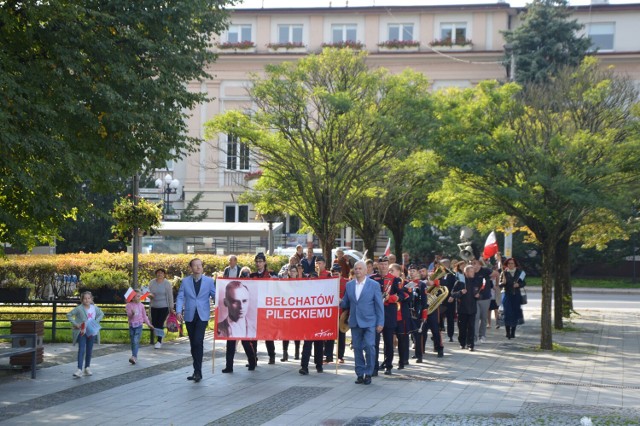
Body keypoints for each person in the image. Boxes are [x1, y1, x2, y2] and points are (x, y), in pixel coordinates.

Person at [340, 260, 384, 385]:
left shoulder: (374, 285)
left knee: (370, 346)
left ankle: (369, 373)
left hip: (370, 321)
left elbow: (379, 305)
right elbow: (346, 303)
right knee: (357, 348)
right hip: (355, 322)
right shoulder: (349, 285)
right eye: (356, 269)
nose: (358, 270)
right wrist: (339, 301)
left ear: (365, 271)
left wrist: (381, 322)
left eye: (360, 268)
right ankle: (360, 374)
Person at [176, 258, 216, 383]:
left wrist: (221, 304)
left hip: (202, 315)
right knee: (193, 343)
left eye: (200, 265)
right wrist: (178, 311)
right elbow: (181, 296)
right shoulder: (185, 281)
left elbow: (215, 295)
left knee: (198, 341)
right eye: (195, 265)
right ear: (191, 268)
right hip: (189, 314)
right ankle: (196, 370)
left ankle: (198, 371)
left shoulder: (209, 281)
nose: (198, 267)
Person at [300, 255, 330, 374]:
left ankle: (319, 364)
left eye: (320, 263)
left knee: (318, 344)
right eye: (316, 263)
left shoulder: (325, 282)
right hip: (309, 319)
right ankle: (304, 366)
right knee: (307, 344)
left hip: (319, 318)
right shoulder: (307, 287)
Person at [218, 281, 257, 373]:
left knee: (247, 344)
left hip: (247, 331)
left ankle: (252, 362)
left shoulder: (253, 327)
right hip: (227, 330)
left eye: (244, 301)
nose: (241, 307)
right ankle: (229, 366)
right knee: (230, 345)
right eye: (235, 301)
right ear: (226, 302)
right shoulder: (219, 329)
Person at [67, 291, 104, 378]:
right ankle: (79, 369)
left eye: (88, 298)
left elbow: (101, 314)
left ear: (91, 299)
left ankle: (87, 367)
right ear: (82, 300)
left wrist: (96, 321)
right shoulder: (79, 308)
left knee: (89, 350)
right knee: (81, 349)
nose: (87, 300)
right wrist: (76, 324)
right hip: (82, 332)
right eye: (85, 298)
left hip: (91, 331)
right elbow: (69, 315)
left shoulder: (94, 308)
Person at [250, 252, 277, 364]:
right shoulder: (252, 276)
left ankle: (272, 355)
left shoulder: (271, 274)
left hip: (266, 308)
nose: (258, 263)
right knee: (254, 335)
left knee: (268, 334)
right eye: (256, 261)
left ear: (264, 262)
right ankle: (253, 357)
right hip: (255, 308)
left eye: (260, 261)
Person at [450, 265, 480, 351]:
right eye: (470, 271)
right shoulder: (460, 282)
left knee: (471, 327)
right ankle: (462, 343)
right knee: (462, 327)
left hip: (472, 309)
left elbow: (480, 293)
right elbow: (452, 294)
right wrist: (460, 292)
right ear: (466, 273)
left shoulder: (476, 281)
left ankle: (471, 344)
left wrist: (478, 295)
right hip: (462, 309)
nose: (473, 273)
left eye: (473, 271)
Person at [498, 255, 526, 339]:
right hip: (507, 295)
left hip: (516, 295)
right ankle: (507, 332)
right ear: (507, 264)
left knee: (515, 313)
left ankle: (513, 332)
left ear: (515, 264)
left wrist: (519, 284)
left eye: (512, 263)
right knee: (507, 313)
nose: (511, 265)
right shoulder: (504, 272)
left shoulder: (519, 272)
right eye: (509, 263)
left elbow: (524, 283)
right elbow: (499, 285)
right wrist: (503, 282)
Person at [148, 268, 174, 349]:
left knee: (160, 323)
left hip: (164, 306)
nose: (160, 274)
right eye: (158, 273)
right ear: (156, 274)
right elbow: (148, 293)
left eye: (161, 273)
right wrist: (149, 295)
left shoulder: (167, 283)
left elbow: (170, 296)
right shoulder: (152, 282)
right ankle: (160, 336)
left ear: (164, 274)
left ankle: (159, 341)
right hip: (154, 306)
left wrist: (171, 307)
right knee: (154, 323)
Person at [126, 291, 154, 365]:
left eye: (139, 296)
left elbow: (145, 316)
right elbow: (129, 316)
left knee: (135, 340)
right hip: (132, 325)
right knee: (133, 341)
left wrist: (149, 324)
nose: (139, 298)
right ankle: (134, 355)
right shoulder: (129, 305)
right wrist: (132, 313)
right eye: (137, 296)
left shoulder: (141, 305)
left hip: (139, 325)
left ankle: (134, 357)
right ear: (133, 297)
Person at [472, 259, 495, 344]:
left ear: (479, 264)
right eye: (472, 263)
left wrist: (495, 285)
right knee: (476, 317)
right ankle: (474, 337)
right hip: (474, 298)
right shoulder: (470, 271)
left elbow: (496, 274)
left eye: (475, 263)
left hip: (485, 298)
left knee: (484, 318)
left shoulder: (485, 270)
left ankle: (482, 335)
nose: (473, 265)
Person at [281, 265, 302, 362]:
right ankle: (285, 353)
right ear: (288, 272)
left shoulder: (300, 283)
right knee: (285, 333)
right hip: (287, 310)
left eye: (294, 271)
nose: (293, 273)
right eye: (291, 271)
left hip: (297, 311)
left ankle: (297, 352)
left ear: (297, 273)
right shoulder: (285, 283)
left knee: (296, 332)